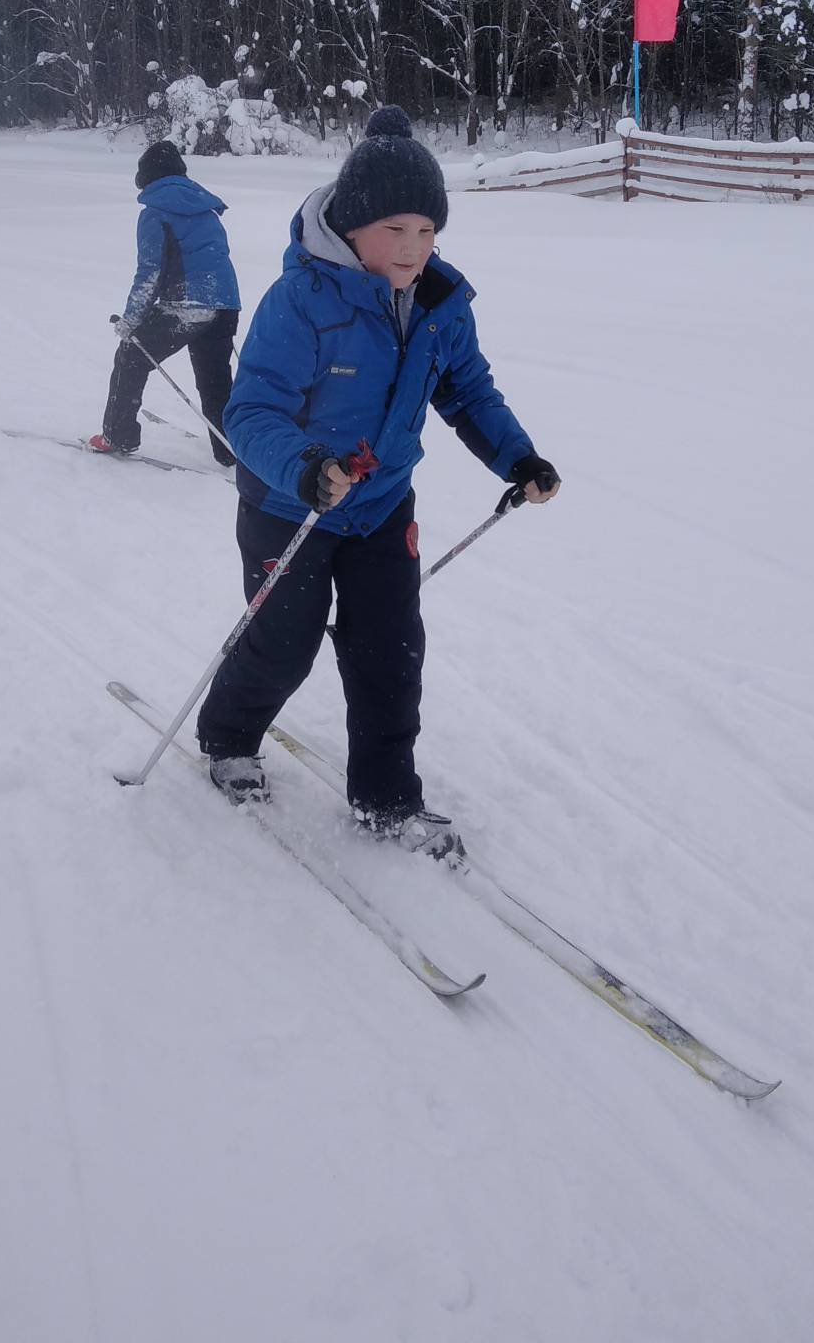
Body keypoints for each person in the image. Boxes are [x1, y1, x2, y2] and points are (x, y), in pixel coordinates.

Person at [195, 105, 560, 858]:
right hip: (289, 504)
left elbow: (469, 393)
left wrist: (517, 459)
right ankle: (230, 737)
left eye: (427, 232)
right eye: (395, 230)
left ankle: (389, 797)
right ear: (352, 225)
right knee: (283, 645)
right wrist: (303, 468)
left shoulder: (440, 307)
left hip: (383, 506)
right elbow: (253, 407)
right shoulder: (301, 301)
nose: (413, 248)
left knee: (390, 651)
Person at [89, 140, 240, 468]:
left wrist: (130, 321)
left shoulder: (155, 213)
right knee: (215, 380)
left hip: (187, 304)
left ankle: (118, 434)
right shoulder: (206, 208)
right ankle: (231, 450)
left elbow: (150, 272)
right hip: (226, 303)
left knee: (131, 356)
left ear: (147, 179)